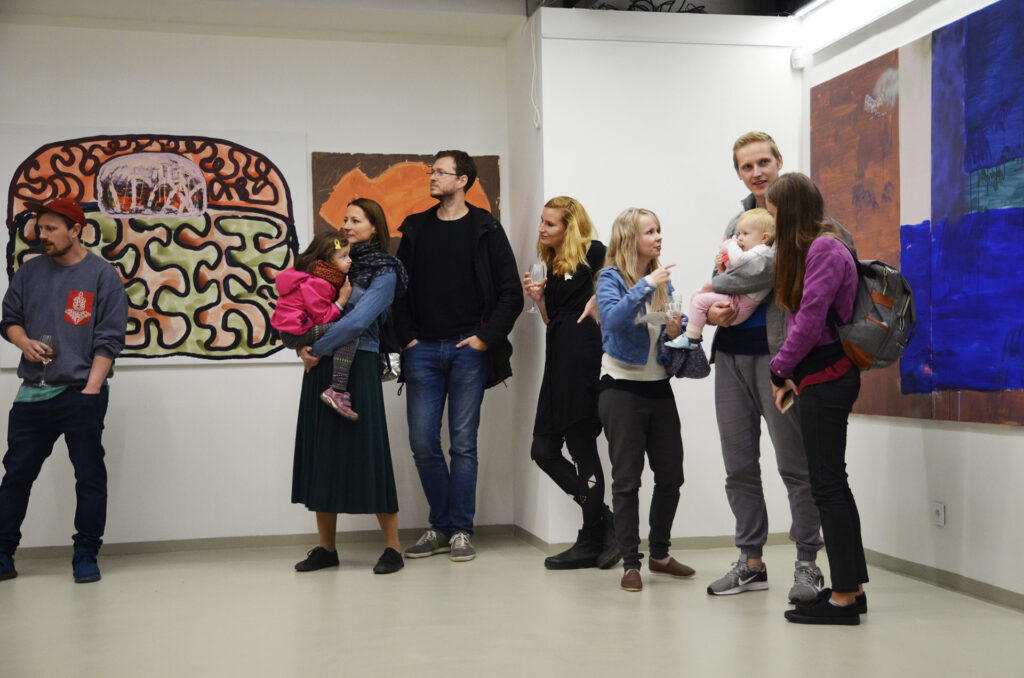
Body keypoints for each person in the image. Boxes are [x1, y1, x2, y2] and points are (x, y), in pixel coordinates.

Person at [704, 132, 825, 602]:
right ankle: (750, 562)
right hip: (730, 355)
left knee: (795, 465)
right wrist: (716, 308)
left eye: (763, 162)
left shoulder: (804, 221)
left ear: (779, 161)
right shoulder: (738, 221)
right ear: (738, 173)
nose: (756, 172)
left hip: (780, 361)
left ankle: (808, 563)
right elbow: (722, 277)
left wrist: (720, 282)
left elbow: (763, 271)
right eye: (746, 166)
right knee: (738, 466)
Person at [394, 150, 523, 563]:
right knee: (422, 443)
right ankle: (442, 526)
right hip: (422, 351)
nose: (432, 177)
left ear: (463, 179)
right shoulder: (416, 228)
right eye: (431, 171)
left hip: (469, 351)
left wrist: (485, 338)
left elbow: (511, 293)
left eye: (440, 172)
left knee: (464, 445)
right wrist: (407, 339)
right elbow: (398, 290)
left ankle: (460, 530)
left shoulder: (486, 228)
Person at [0, 198, 128, 583]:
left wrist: (91, 390)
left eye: (51, 228)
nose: (43, 235)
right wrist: (23, 342)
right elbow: (10, 320)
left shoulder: (102, 276)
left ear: (76, 229)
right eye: (40, 228)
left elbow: (109, 339)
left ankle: (86, 553)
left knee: (89, 477)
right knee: (16, 476)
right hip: (33, 392)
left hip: (81, 392)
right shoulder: (29, 272)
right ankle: (3, 552)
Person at [767, 173, 866, 625]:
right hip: (820, 377)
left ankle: (843, 598)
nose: (770, 223)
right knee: (834, 484)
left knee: (826, 485)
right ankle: (852, 588)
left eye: (773, 213)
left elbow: (809, 322)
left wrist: (779, 368)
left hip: (828, 377)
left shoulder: (824, 248)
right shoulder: (818, 247)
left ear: (789, 213)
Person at [291, 197, 408, 575]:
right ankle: (327, 549)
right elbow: (301, 308)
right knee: (323, 453)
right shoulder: (332, 263)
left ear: (375, 228)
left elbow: (359, 322)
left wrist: (315, 349)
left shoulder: (386, 270)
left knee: (370, 453)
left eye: (356, 220)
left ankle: (392, 548)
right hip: (321, 366)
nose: (346, 225)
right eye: (345, 219)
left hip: (359, 365)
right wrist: (300, 346)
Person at [595, 207, 695, 592]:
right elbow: (611, 319)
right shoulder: (610, 277)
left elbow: (668, 336)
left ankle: (660, 555)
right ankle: (630, 563)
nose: (658, 237)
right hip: (620, 387)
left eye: (659, 230)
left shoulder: (662, 281)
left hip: (658, 386)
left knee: (671, 476)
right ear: (629, 238)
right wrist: (645, 284)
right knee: (627, 480)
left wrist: (675, 330)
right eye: (649, 231)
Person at [522, 196, 618, 570]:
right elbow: (553, 319)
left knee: (581, 448)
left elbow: (615, 295)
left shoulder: (595, 254)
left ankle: (590, 538)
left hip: (584, 360)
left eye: (550, 224)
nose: (542, 229)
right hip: (558, 359)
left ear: (570, 226)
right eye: (542, 221)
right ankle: (604, 521)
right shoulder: (551, 261)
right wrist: (539, 299)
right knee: (543, 450)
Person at [272, 232, 360, 420]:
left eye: (349, 255)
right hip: (296, 334)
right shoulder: (319, 282)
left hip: (294, 332)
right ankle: (337, 391)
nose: (349, 260)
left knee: (345, 331)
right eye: (343, 256)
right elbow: (322, 318)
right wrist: (342, 300)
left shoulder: (313, 274)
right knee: (349, 333)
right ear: (328, 260)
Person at [666, 208, 775, 350]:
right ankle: (691, 334)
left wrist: (731, 244)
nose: (739, 238)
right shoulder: (751, 252)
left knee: (699, 300)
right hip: (737, 299)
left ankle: (692, 339)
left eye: (745, 234)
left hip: (742, 305)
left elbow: (738, 261)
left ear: (764, 237)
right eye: (739, 233)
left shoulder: (762, 251)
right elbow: (732, 275)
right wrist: (722, 267)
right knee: (697, 295)